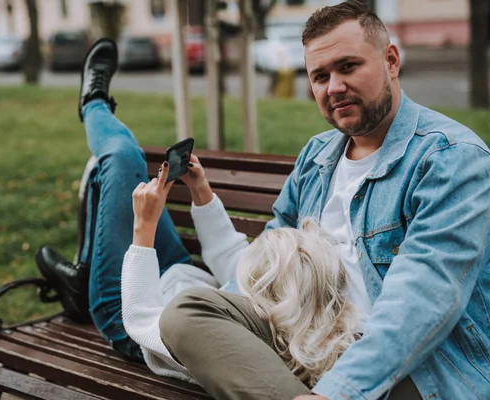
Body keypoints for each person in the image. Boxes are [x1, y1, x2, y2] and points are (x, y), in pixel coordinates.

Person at [157, 1, 490, 400]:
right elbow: (269, 254)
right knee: (188, 312)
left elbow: (424, 297)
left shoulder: (450, 158)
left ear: (391, 61)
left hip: (413, 362)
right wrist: (234, 311)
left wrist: (336, 391)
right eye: (319, 76)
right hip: (309, 336)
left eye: (348, 66)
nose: (333, 87)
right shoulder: (316, 157)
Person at [35, 36, 360, 389]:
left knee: (120, 157)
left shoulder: (227, 346)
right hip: (180, 275)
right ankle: (84, 277)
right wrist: (202, 193)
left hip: (130, 311)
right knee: (115, 171)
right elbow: (241, 267)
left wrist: (144, 228)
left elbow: (142, 319)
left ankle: (93, 104)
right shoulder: (296, 307)